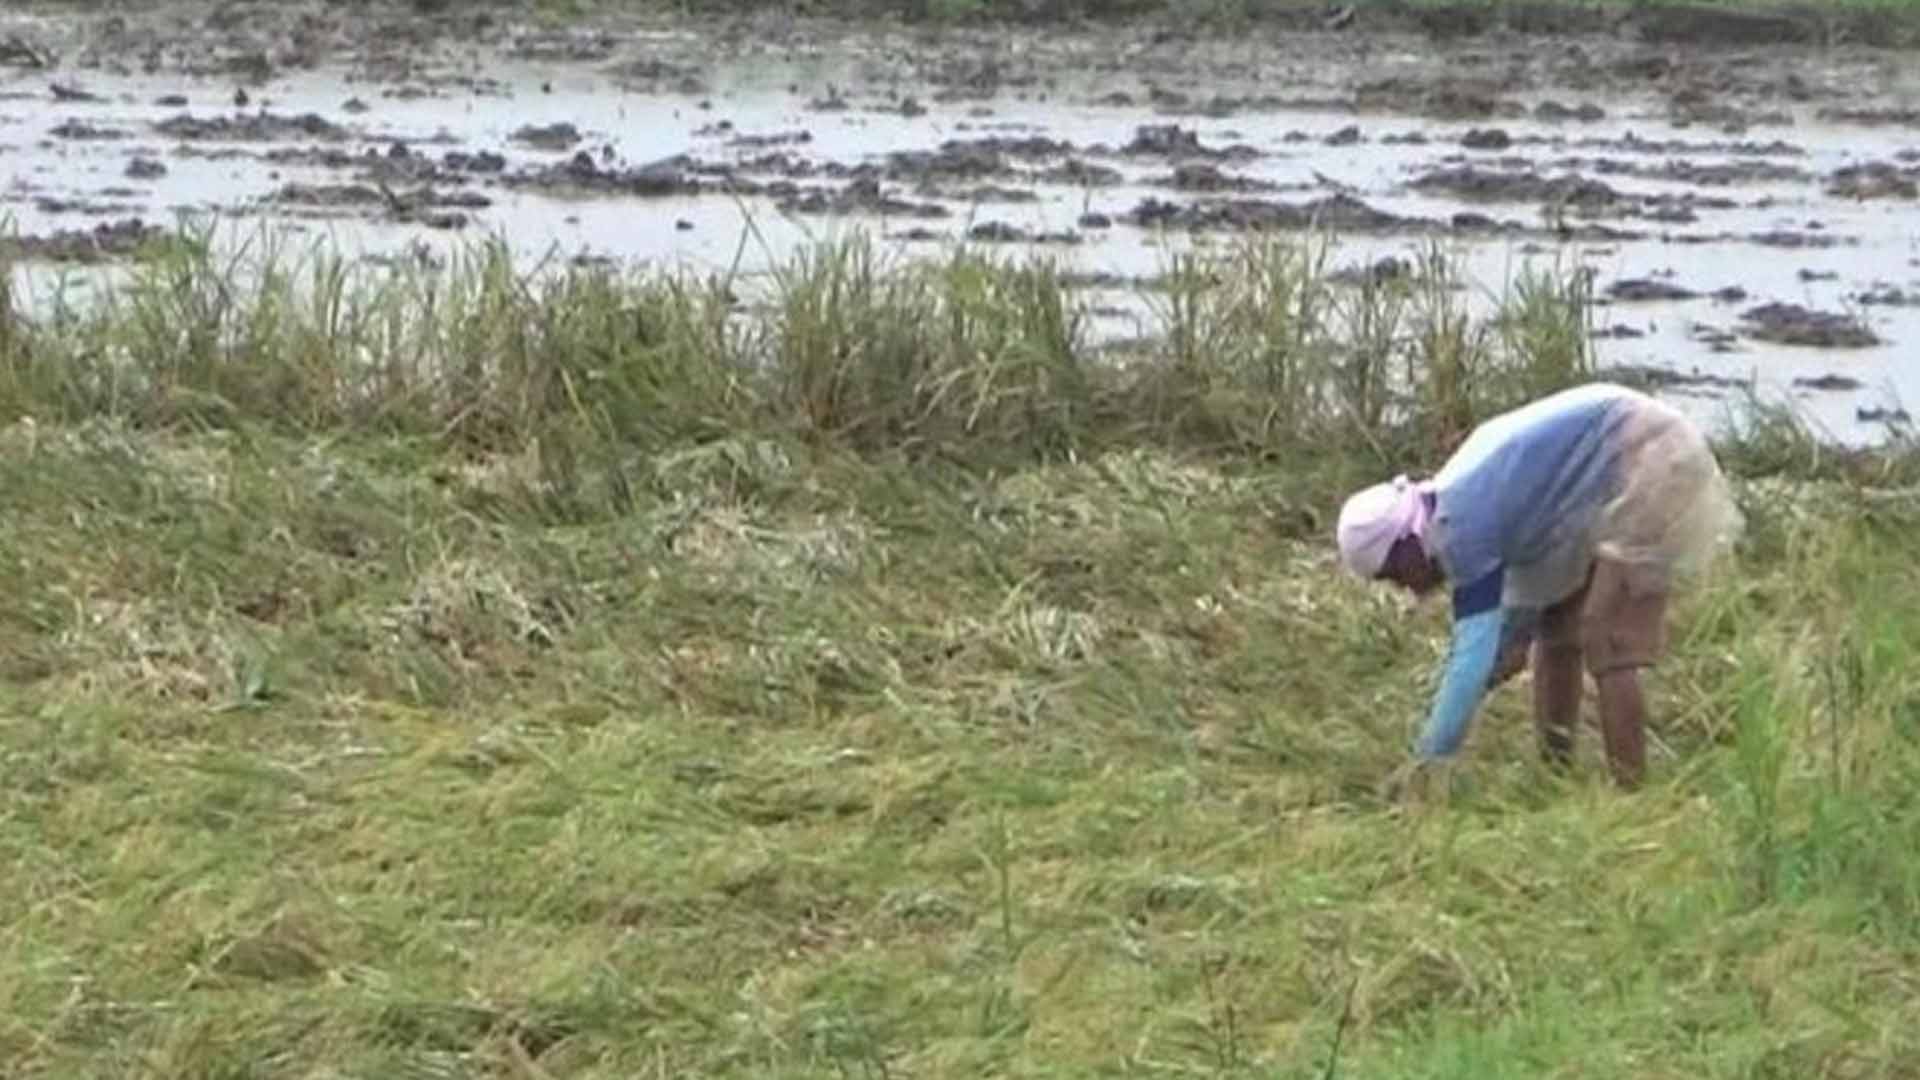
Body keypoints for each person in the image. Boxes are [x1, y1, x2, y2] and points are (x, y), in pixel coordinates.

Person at [1335, 382, 1741, 790]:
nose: (1405, 589)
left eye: (1395, 575)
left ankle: (1632, 793)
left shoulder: (1461, 528)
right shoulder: (1456, 507)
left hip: (1653, 453)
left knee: (1607, 635)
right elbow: (1507, 646)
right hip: (1598, 477)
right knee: (1555, 631)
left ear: (1408, 546)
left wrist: (1424, 764)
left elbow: (1472, 663)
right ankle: (1556, 777)